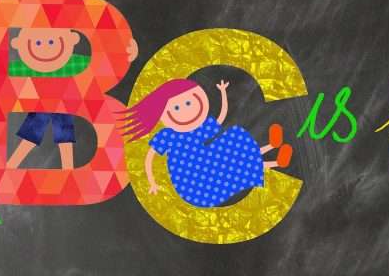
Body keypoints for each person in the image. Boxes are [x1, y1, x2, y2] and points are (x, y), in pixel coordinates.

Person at [0, 27, 138, 170]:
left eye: (52, 41)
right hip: (40, 108)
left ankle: (66, 170)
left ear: (71, 40)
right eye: (37, 42)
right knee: (31, 138)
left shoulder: (74, 64)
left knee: (63, 140)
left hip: (64, 107)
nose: (45, 47)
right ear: (19, 44)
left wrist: (124, 55)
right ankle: (13, 165)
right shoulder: (22, 68)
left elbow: (105, 65)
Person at [119, 78, 292, 207]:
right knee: (228, 160)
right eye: (177, 108)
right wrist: (152, 182)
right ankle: (274, 160)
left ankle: (270, 147)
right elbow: (150, 157)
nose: (186, 110)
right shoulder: (168, 136)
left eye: (188, 102)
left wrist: (223, 93)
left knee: (233, 139)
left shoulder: (197, 128)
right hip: (194, 183)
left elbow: (221, 117)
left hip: (205, 162)